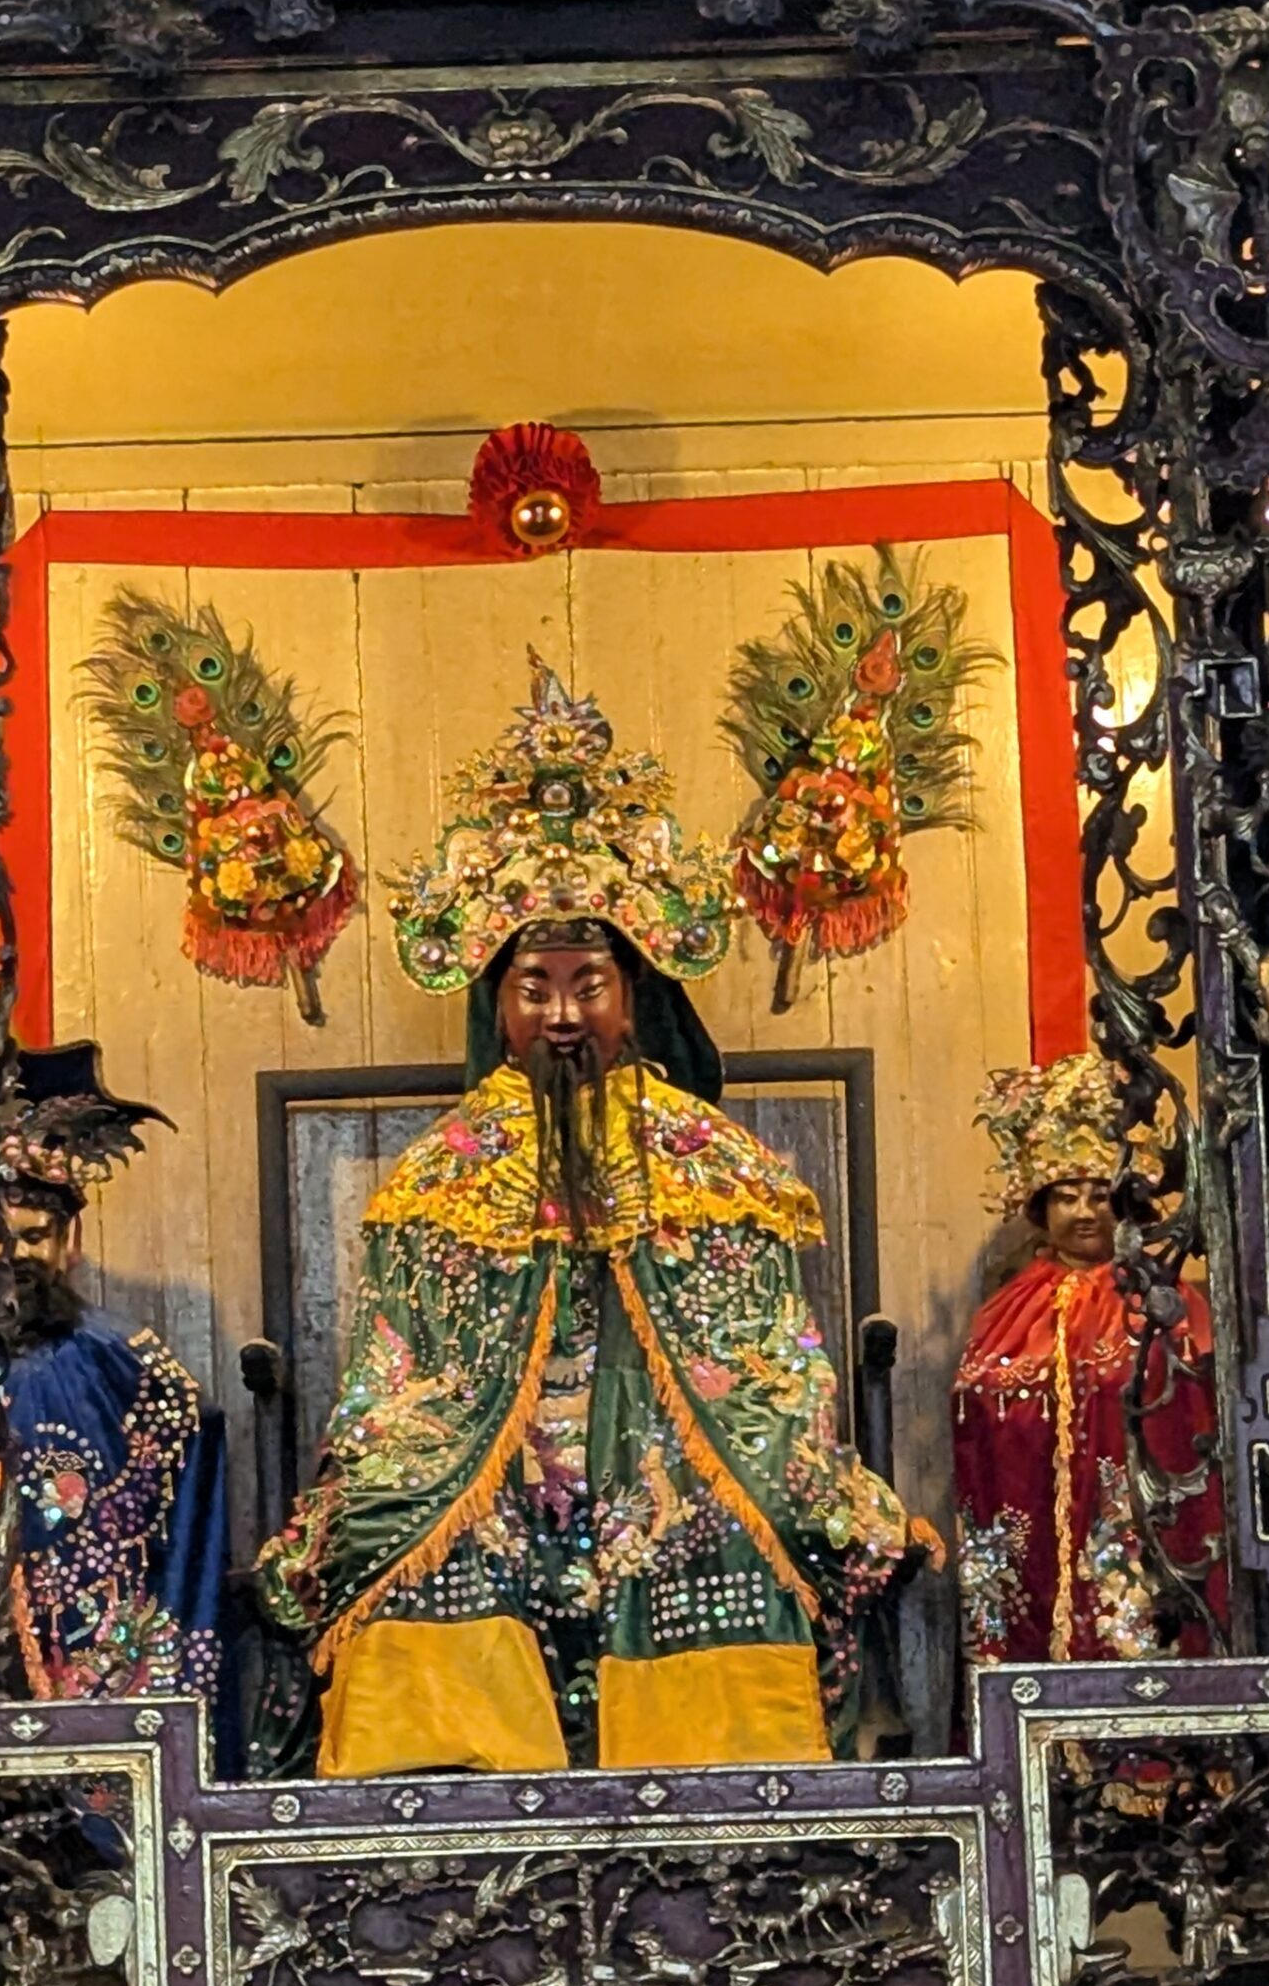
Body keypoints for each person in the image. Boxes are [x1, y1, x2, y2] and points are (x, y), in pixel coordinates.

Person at [254, 662, 919, 1776]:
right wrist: (412, 1469)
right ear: (496, 1000)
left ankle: (729, 1794)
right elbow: (395, 1375)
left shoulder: (714, 1164)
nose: (562, 1015)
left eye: (588, 984)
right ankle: (445, 1801)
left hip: (676, 1455)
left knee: (724, 1543)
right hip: (481, 1464)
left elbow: (767, 1362)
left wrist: (732, 1451)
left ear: (634, 992)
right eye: (534, 987)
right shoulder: (436, 1178)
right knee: (413, 1564)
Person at [0, 1049, 228, 1703]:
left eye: (34, 1237)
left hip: (88, 1659)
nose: (11, 1258)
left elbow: (195, 1448)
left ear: (71, 1242)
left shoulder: (125, 1363)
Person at [950, 1051, 1226, 1669]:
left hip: (1139, 1536)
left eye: (1100, 1196)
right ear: (1041, 1209)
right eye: (1067, 1197)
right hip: (1030, 1538)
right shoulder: (1005, 1311)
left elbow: (1198, 1410)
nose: (1083, 1212)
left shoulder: (1163, 1300)